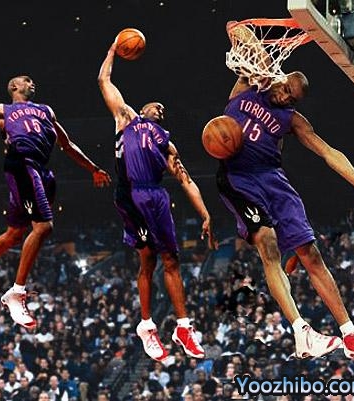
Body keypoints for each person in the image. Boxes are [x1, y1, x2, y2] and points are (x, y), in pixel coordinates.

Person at [217, 21, 354, 360]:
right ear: (281, 77)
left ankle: (350, 333)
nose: (286, 97)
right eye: (286, 89)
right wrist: (265, 63)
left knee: (311, 254)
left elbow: (329, 153)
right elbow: (236, 29)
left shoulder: (292, 119)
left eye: (292, 97)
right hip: (239, 177)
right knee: (267, 243)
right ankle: (301, 332)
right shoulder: (249, 84)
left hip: (273, 178)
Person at [0, 76, 111, 329]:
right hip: (22, 164)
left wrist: (93, 168)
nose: (32, 82)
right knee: (43, 227)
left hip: (41, 170)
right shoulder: (3, 111)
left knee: (15, 234)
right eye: (26, 80)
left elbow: (67, 144)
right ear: (14, 87)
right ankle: (16, 293)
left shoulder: (46, 111)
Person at [97, 42, 216, 361]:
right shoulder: (127, 118)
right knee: (148, 259)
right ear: (143, 108)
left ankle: (183, 327)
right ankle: (147, 326)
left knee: (172, 260)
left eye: (163, 110)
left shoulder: (166, 144)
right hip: (131, 193)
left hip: (156, 195)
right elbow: (104, 81)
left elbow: (186, 180)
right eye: (155, 106)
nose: (160, 109)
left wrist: (205, 213)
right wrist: (113, 51)